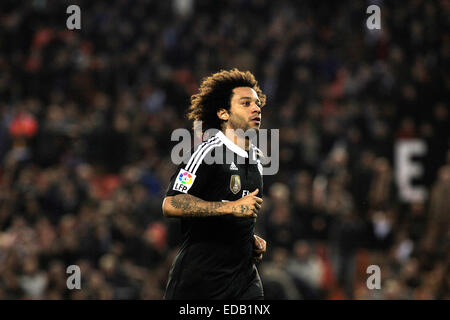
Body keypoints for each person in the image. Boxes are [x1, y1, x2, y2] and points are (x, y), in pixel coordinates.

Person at [162, 69, 268, 299]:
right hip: (200, 283)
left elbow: (238, 212)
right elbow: (171, 203)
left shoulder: (258, 160)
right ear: (223, 113)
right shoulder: (207, 152)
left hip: (244, 281)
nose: (256, 108)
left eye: (258, 103)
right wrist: (230, 208)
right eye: (246, 103)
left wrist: (248, 240)